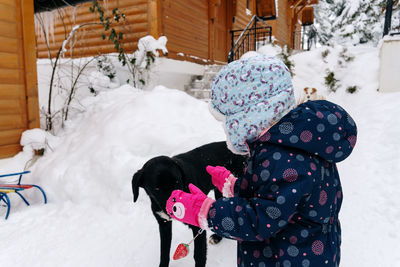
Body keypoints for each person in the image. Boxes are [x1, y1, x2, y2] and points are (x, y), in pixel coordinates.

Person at [166, 54, 357, 267]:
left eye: (227, 121)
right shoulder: (293, 144)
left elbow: (259, 220)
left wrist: (207, 212)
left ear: (251, 116)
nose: (226, 129)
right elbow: (277, 199)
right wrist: (235, 186)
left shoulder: (287, 159)